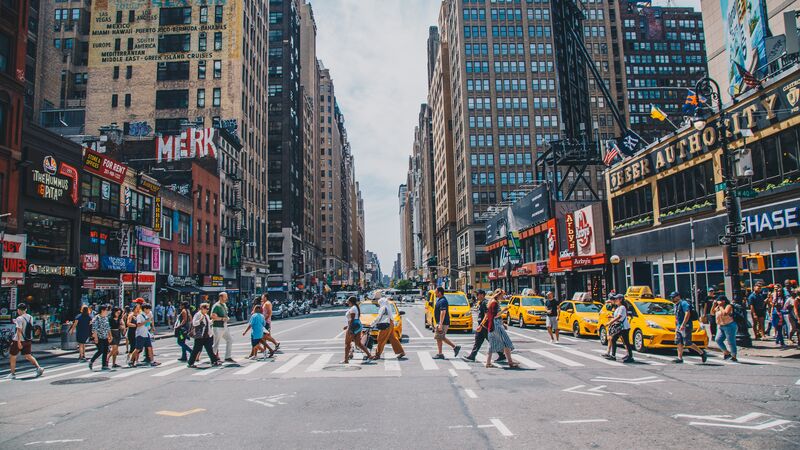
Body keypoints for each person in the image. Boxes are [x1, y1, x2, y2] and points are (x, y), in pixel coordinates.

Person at [463, 289, 505, 362]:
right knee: (478, 341)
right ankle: (472, 356)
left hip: (484, 326)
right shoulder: (482, 302)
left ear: (482, 295)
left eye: (478, 295)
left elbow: (487, 315)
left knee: (490, 341)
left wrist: (481, 325)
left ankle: (501, 355)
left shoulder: (484, 303)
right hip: (483, 326)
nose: (477, 296)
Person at [481, 290, 520, 369]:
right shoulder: (494, 303)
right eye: (503, 295)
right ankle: (510, 362)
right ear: (498, 295)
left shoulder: (492, 302)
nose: (504, 297)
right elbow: (495, 315)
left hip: (493, 325)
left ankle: (488, 363)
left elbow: (490, 316)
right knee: (506, 342)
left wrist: (503, 323)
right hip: (496, 325)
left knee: (492, 344)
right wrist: (504, 310)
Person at [7, 303, 44, 379]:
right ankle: (38, 368)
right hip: (28, 339)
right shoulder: (30, 317)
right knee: (28, 355)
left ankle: (12, 374)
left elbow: (19, 330)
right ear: (26, 309)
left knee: (12, 356)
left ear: (19, 310)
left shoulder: (19, 318)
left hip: (18, 340)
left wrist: (19, 342)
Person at [669, 292, 707, 363]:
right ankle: (680, 358)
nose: (672, 298)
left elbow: (687, 313)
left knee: (687, 342)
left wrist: (683, 324)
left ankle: (701, 352)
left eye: (673, 297)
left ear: (678, 296)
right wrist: (677, 325)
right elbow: (676, 316)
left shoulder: (684, 303)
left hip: (686, 326)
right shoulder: (676, 305)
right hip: (679, 326)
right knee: (679, 341)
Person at [372, 291, 405, 360]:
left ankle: (377, 355)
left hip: (386, 324)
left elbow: (379, 317)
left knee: (380, 339)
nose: (378, 304)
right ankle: (401, 352)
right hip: (391, 323)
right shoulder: (387, 306)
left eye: (379, 303)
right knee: (393, 339)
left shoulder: (383, 308)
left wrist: (372, 324)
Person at [188, 303, 222, 368]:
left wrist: (213, 320)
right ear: (202, 308)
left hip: (207, 336)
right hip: (200, 336)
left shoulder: (206, 315)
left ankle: (214, 361)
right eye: (207, 308)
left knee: (209, 349)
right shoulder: (198, 314)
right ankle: (190, 363)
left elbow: (208, 323)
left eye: (208, 309)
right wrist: (200, 320)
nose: (208, 310)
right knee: (196, 350)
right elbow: (194, 323)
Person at [432, 287, 461, 359]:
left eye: (436, 292)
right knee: (440, 337)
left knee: (439, 337)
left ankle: (441, 353)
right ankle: (453, 348)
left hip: (443, 323)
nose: (435, 293)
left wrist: (440, 324)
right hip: (441, 322)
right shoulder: (440, 300)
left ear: (439, 292)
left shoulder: (443, 301)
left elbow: (443, 312)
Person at [604, 294, 635, 363]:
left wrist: (609, 323)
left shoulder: (622, 307)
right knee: (614, 339)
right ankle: (614, 355)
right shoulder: (618, 307)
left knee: (625, 342)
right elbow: (617, 317)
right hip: (620, 327)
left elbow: (619, 317)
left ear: (620, 299)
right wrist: (611, 318)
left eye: (616, 299)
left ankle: (629, 357)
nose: (615, 300)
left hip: (624, 328)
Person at [341, 296, 372, 364]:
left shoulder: (353, 308)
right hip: (357, 325)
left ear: (351, 301)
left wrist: (349, 328)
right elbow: (354, 319)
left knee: (347, 344)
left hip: (353, 326)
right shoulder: (355, 307)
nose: (347, 302)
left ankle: (346, 360)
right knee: (358, 343)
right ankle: (369, 355)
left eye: (348, 300)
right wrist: (348, 326)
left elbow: (352, 319)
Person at [711, 295, 738, 362]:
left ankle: (734, 356)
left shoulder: (728, 306)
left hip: (729, 325)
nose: (718, 302)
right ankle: (726, 352)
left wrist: (720, 306)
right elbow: (712, 313)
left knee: (731, 341)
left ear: (723, 301)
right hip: (720, 326)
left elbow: (725, 313)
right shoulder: (717, 307)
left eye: (719, 300)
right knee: (718, 339)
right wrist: (713, 305)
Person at [211, 292, 234, 363]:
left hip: (224, 326)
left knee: (230, 339)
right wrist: (222, 319)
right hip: (217, 327)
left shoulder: (224, 305)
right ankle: (213, 358)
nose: (226, 298)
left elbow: (225, 315)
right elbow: (213, 316)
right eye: (225, 297)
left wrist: (227, 318)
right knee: (216, 343)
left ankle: (227, 357)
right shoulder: (216, 306)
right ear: (220, 297)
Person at [89, 305, 112, 371]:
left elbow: (108, 327)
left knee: (105, 351)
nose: (107, 311)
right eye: (106, 310)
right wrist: (95, 338)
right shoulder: (96, 318)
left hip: (105, 337)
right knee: (100, 350)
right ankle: (91, 361)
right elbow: (94, 329)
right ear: (102, 310)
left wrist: (110, 336)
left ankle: (104, 365)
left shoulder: (106, 318)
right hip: (99, 337)